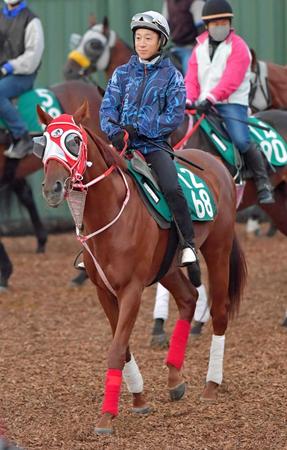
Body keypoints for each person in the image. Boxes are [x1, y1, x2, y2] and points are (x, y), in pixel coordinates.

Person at [100, 10, 200, 268]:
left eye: (148, 38)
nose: (142, 43)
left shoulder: (172, 76)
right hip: (120, 145)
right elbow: (107, 107)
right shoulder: (121, 74)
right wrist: (113, 130)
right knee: (92, 182)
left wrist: (138, 128)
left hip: (153, 147)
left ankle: (187, 243)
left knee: (171, 187)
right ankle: (89, 247)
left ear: (161, 42)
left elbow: (174, 115)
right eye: (139, 38)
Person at [185, 0, 274, 204]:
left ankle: (263, 182)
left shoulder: (239, 47)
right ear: (206, 26)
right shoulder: (198, 48)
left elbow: (231, 80)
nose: (219, 26)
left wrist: (211, 98)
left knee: (240, 139)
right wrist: (189, 98)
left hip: (231, 103)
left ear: (230, 22)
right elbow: (191, 77)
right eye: (215, 23)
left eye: (223, 22)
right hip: (202, 102)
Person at [0, 0, 44, 159]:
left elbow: (33, 56)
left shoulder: (32, 20)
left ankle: (22, 136)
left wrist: (11, 66)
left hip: (22, 74)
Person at [162, 0, 206, 75]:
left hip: (191, 48)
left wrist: (197, 50)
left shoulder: (196, 2)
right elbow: (163, 26)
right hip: (174, 46)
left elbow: (202, 31)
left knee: (189, 76)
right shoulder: (168, 2)